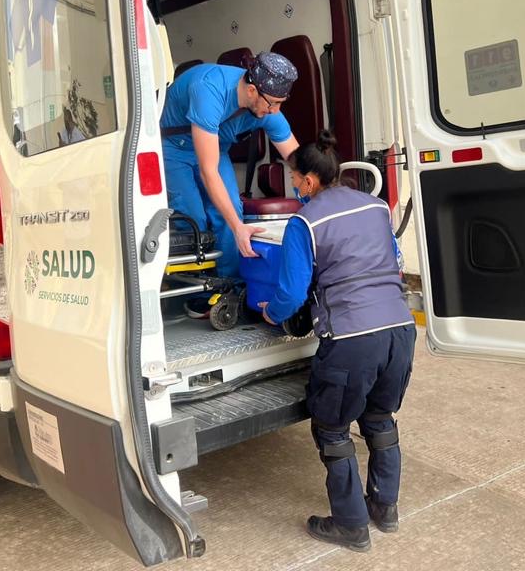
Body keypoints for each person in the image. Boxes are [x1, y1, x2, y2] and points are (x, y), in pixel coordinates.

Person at [259, 130, 415, 553]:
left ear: (310, 180)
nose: (294, 185)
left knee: (332, 428)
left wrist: (273, 312)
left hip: (352, 339)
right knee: (380, 419)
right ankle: (385, 508)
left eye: (295, 178)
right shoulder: (377, 206)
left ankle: (351, 526)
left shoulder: (304, 222)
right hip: (400, 330)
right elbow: (395, 260)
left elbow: (292, 293)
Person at [159, 51, 299, 279]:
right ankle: (196, 288)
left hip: (215, 146)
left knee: (231, 209)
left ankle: (230, 283)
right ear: (252, 91)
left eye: (280, 104)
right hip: (174, 148)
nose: (275, 112)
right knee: (193, 216)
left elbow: (298, 160)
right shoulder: (209, 90)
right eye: (273, 104)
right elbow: (208, 172)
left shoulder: (266, 104)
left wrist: (321, 197)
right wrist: (238, 228)